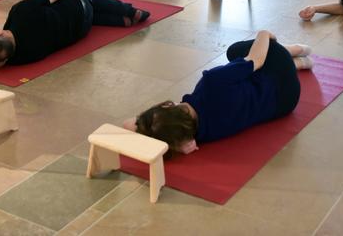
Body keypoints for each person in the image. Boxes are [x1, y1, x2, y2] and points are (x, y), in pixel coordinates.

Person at [123, 30, 313, 156]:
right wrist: (264, 35)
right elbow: (257, 60)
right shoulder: (212, 83)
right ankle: (296, 50)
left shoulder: (198, 136)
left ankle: (298, 64)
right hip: (282, 83)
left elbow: (130, 125)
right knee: (235, 52)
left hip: (285, 105)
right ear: (166, 105)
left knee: (243, 75)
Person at [0, 0, 150, 68]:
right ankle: (128, 10)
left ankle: (121, 21)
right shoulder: (20, 12)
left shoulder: (23, 57)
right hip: (81, 6)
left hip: (81, 30)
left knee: (83, 15)